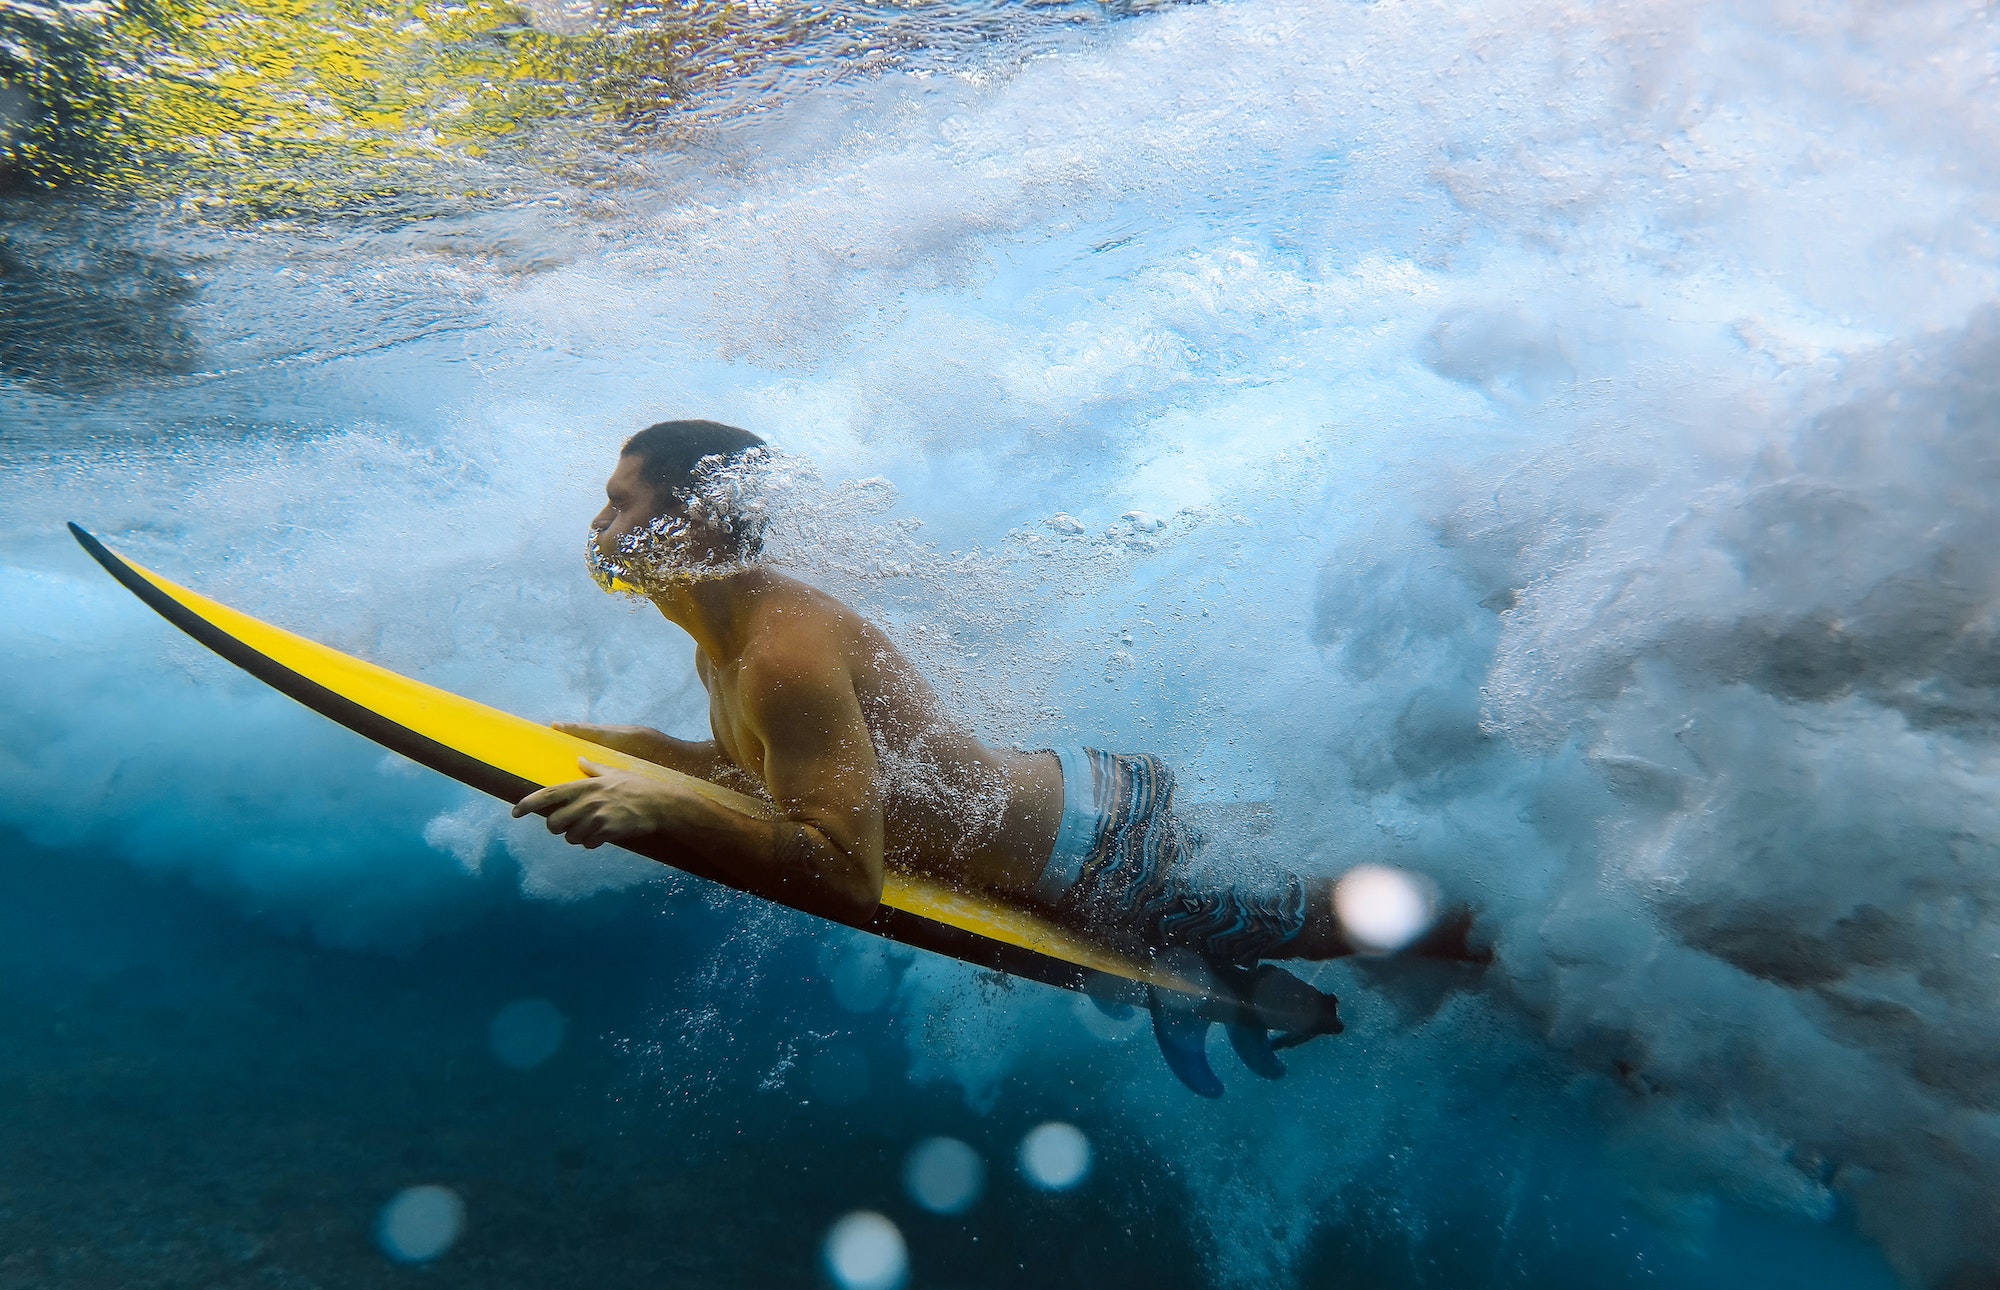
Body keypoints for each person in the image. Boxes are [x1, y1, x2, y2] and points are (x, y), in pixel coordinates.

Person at [513, 420, 1485, 1093]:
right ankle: (1439, 945)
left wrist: (663, 809)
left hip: (1106, 860)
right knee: (1304, 912)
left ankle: (1521, 958)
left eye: (619, 502)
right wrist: (652, 755)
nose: (599, 527)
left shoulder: (779, 657)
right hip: (1073, 811)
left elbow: (843, 870)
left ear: (702, 523)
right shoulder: (722, 643)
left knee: (1340, 920)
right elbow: (799, 778)